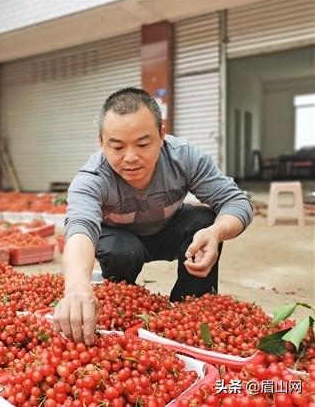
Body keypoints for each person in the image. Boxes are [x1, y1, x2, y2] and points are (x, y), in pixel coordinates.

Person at [53, 87, 253, 345]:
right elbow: (80, 227)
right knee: (120, 249)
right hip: (120, 238)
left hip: (169, 230)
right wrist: (77, 288)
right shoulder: (92, 177)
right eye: (117, 147)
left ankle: (190, 311)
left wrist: (216, 232)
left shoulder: (184, 158)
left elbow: (236, 201)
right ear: (101, 142)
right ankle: (123, 309)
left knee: (204, 221)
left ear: (161, 134)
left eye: (143, 144)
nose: (131, 158)